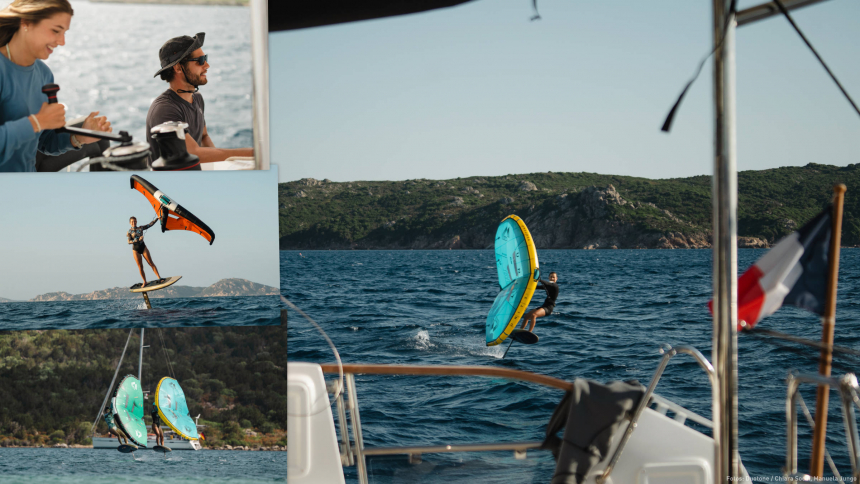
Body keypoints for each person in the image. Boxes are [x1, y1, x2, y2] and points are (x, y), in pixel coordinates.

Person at [0, 0, 112, 172]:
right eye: (55, 31)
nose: (62, 41)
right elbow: (36, 125)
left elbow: (44, 141)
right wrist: (36, 122)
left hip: (26, 186)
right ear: (26, 23)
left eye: (65, 33)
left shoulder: (44, 74)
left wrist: (78, 137)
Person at [146, 32, 253, 168]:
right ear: (178, 67)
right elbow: (192, 153)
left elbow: (204, 137)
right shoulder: (165, 109)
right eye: (200, 60)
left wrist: (219, 165)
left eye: (205, 58)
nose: (207, 65)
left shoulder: (197, 98)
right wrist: (253, 153)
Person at [128, 216, 162, 285]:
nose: (133, 223)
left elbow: (149, 225)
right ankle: (145, 281)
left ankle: (159, 278)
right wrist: (137, 240)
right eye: (132, 222)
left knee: (151, 263)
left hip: (143, 247)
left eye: (134, 221)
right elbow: (129, 241)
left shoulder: (141, 228)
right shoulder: (129, 231)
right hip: (135, 250)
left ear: (136, 221)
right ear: (130, 223)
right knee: (140, 267)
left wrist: (157, 219)